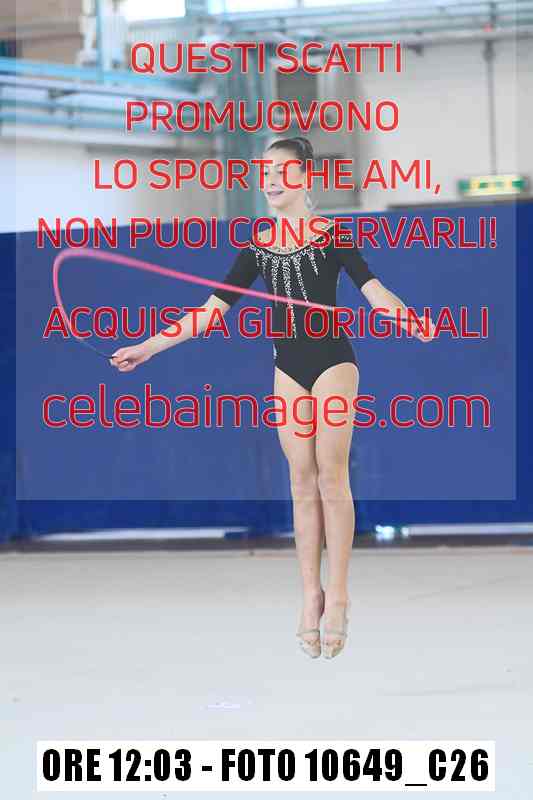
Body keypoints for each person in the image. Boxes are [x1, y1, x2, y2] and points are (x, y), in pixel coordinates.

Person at [110, 137, 435, 659]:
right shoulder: (258, 246)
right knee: (301, 479)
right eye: (265, 172)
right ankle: (310, 595)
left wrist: (407, 317)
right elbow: (210, 311)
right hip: (288, 367)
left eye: (283, 170)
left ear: (306, 176)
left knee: (331, 474)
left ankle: (339, 596)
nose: (272, 180)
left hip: (333, 361)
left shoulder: (332, 235)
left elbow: (373, 289)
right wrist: (148, 347)